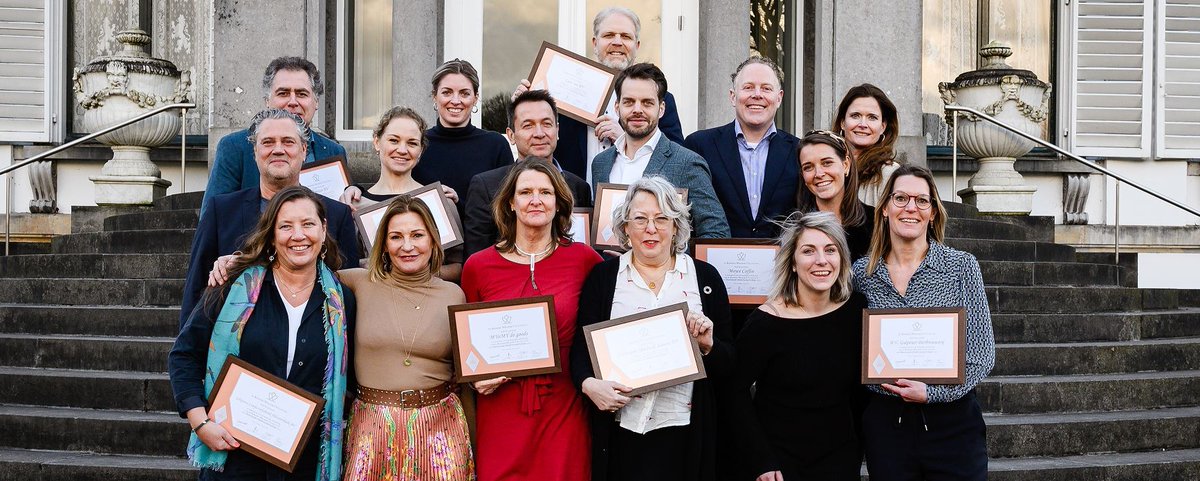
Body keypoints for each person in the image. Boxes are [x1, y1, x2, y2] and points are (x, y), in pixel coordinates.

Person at [169, 186, 355, 481]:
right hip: (233, 454)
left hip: (305, 462)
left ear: (323, 229)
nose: (298, 235)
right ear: (271, 234)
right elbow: (184, 354)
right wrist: (200, 422)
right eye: (286, 226)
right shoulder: (233, 285)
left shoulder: (342, 300)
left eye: (307, 224)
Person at [571, 176, 733, 481]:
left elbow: (730, 362)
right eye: (641, 219)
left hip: (685, 431)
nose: (651, 228)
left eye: (662, 218)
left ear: (676, 226)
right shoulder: (603, 278)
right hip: (622, 430)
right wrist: (589, 384)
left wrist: (708, 346)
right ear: (625, 227)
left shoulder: (706, 279)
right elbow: (581, 350)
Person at [460, 157, 602, 481]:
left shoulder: (584, 260)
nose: (535, 200)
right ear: (510, 202)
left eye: (545, 192)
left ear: (559, 202)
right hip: (501, 408)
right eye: (525, 192)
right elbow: (466, 343)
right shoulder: (478, 266)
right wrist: (474, 377)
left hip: (564, 406)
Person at [851, 165, 995, 481]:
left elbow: (982, 355)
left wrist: (933, 394)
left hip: (952, 424)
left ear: (932, 213)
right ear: (885, 208)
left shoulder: (961, 267)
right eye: (900, 198)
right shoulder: (861, 275)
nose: (910, 208)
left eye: (921, 200)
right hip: (888, 425)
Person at [181, 109, 360, 329]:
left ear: (303, 150)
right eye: (267, 142)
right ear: (255, 152)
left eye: (288, 142)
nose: (278, 150)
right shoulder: (222, 210)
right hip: (236, 350)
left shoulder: (336, 214)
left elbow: (347, 291)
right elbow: (196, 286)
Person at [338, 195, 473, 480]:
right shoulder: (357, 282)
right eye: (396, 236)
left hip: (439, 428)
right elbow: (295, 271)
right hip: (371, 427)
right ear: (384, 245)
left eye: (417, 235)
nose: (407, 246)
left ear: (434, 240)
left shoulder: (454, 295)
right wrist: (235, 262)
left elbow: (467, 372)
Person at [732, 211, 867, 480]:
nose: (821, 260)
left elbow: (859, 394)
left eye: (831, 250)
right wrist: (762, 460)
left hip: (839, 460)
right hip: (781, 464)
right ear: (792, 262)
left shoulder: (856, 310)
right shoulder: (765, 323)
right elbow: (734, 395)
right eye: (808, 251)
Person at [514, 7, 683, 184]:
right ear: (595, 43)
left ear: (637, 46)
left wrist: (625, 139)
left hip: (634, 205)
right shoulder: (560, 93)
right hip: (573, 199)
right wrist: (524, 104)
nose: (617, 42)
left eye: (626, 36)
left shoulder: (659, 99)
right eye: (609, 35)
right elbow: (536, 142)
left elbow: (676, 157)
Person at [592, 63, 730, 239]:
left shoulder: (687, 162)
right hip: (611, 266)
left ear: (661, 108)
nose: (637, 110)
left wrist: (678, 262)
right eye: (629, 102)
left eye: (647, 103)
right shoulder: (600, 163)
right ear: (617, 107)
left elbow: (716, 231)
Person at [202, 57, 346, 212]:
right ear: (267, 101)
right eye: (283, 93)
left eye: (301, 94)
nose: (293, 101)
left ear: (316, 102)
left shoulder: (334, 152)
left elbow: (342, 214)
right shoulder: (234, 147)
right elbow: (213, 215)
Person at [339, 107, 464, 281]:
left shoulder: (441, 202)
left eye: (412, 143)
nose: (402, 150)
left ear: (420, 150)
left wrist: (415, 270)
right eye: (394, 140)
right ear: (376, 142)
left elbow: (458, 266)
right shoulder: (354, 206)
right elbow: (347, 270)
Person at [463, 89, 593, 256]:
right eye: (528, 125)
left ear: (557, 131)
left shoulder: (579, 187)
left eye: (546, 124)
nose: (539, 134)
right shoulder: (486, 186)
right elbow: (476, 260)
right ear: (511, 135)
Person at [684, 56, 799, 239]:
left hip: (781, 264)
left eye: (766, 88)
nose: (757, 94)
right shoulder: (699, 146)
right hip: (714, 262)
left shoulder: (798, 151)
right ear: (733, 96)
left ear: (779, 98)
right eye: (748, 87)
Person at [410, 59, 514, 220]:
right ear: (434, 96)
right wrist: (358, 190)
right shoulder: (416, 143)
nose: (456, 101)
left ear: (475, 98)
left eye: (464, 93)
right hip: (422, 241)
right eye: (447, 92)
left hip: (482, 242)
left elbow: (508, 206)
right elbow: (393, 187)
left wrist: (458, 203)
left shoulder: (495, 145)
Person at [796, 130, 874, 259]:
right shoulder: (794, 227)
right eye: (808, 167)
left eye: (827, 163)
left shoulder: (877, 223)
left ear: (846, 165)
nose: (819, 174)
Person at [832, 83, 900, 206]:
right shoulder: (826, 167)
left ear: (883, 127)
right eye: (855, 116)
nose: (863, 124)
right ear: (842, 122)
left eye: (872, 117)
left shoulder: (890, 174)